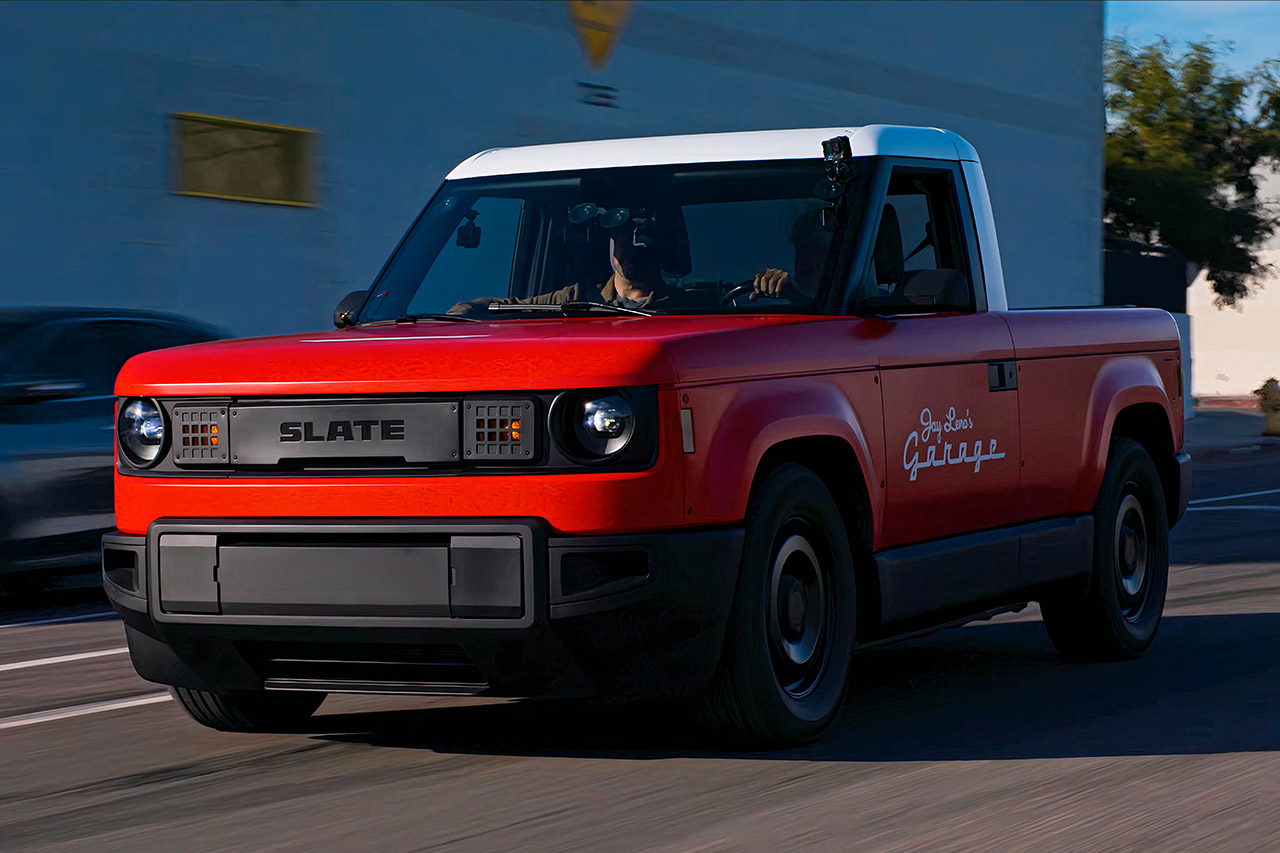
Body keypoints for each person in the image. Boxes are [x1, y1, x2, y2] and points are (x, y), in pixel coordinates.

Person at [448, 218, 713, 316]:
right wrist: (458, 316)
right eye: (626, 240)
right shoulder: (576, 298)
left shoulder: (688, 309)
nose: (634, 248)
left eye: (642, 241)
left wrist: (757, 285)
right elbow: (514, 306)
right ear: (612, 247)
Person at [749, 208, 835, 301]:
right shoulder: (781, 294)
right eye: (804, 251)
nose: (813, 258)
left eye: (821, 248)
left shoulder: (848, 297)